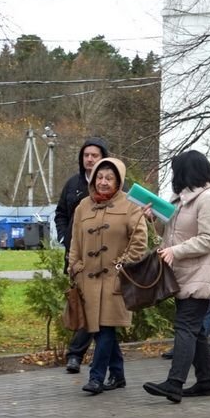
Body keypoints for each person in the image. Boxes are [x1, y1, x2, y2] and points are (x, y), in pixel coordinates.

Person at [143, 150, 210, 403]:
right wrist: (153, 218)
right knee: (195, 330)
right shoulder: (182, 199)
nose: (173, 177)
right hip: (184, 273)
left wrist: (175, 251)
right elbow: (170, 232)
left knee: (185, 327)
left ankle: (174, 383)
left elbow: (209, 239)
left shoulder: (209, 199)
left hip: (202, 274)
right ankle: (205, 382)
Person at [66, 156, 149, 394]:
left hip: (114, 279)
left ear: (119, 181)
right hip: (87, 279)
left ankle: (96, 377)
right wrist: (75, 266)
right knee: (101, 328)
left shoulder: (130, 205)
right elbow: (75, 241)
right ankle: (119, 375)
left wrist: (122, 264)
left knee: (104, 328)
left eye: (109, 178)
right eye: (99, 177)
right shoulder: (83, 206)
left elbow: (139, 240)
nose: (103, 182)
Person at [55, 136, 109, 374]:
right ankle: (91, 353)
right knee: (81, 303)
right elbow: (60, 214)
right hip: (76, 255)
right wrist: (64, 237)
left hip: (103, 257)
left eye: (94, 155)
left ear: (103, 158)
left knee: (97, 307)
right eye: (86, 155)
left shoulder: (113, 185)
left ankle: (77, 354)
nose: (89, 159)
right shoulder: (72, 184)